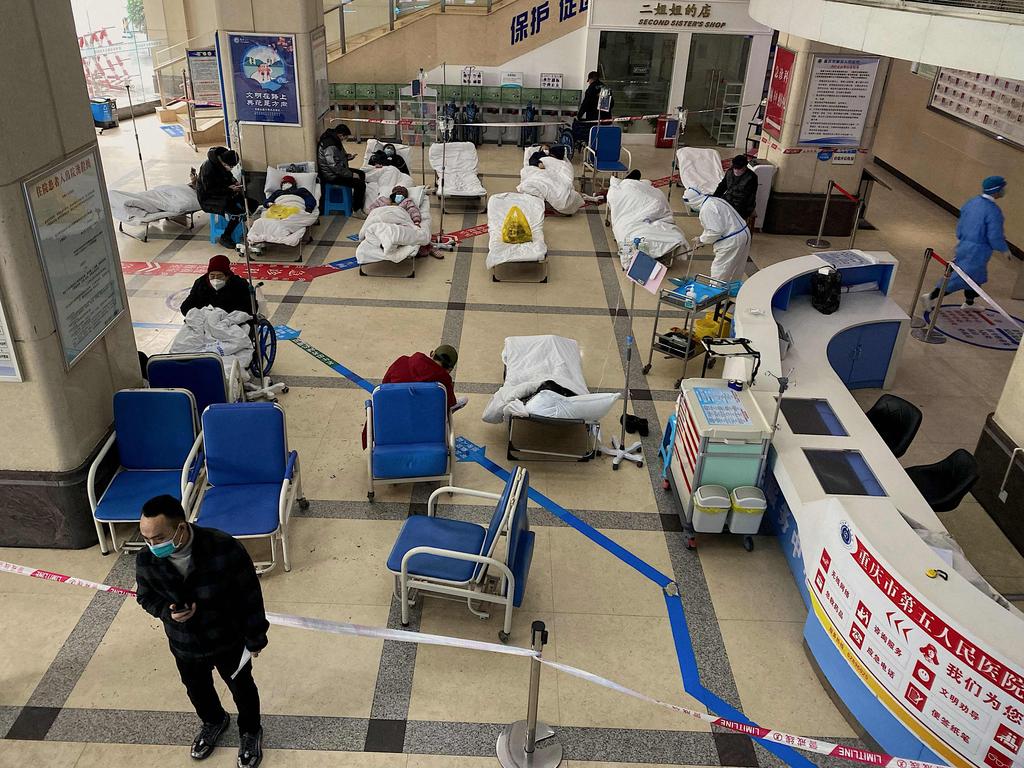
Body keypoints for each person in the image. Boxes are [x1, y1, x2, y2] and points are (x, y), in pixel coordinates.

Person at [135, 495, 269, 768]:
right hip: (184, 644)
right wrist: (167, 612)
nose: (152, 545)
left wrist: (256, 637)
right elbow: (145, 597)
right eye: (146, 538)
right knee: (197, 690)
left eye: (159, 538)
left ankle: (250, 731)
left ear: (181, 528)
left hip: (228, 640)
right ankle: (213, 721)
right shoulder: (146, 560)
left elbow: (250, 595)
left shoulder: (224, 548)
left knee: (242, 689)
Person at [921, 175, 1011, 312]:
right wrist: (1004, 249)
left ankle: (969, 303)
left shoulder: (972, 202)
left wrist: (960, 238)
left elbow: (961, 222)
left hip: (964, 245)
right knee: (961, 278)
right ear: (997, 190)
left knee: (975, 278)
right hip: (977, 250)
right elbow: (994, 235)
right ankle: (931, 296)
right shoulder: (993, 211)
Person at [362, 345, 466, 448]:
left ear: (432, 354)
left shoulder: (401, 362)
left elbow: (384, 388)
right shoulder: (443, 384)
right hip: (423, 432)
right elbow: (448, 406)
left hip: (391, 427)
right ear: (450, 369)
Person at [682, 186, 752, 283]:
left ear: (692, 202)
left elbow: (715, 231)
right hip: (743, 233)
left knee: (719, 271)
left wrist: (701, 240)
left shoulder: (706, 209)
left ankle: (716, 295)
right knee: (736, 268)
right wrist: (701, 240)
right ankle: (732, 290)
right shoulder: (714, 200)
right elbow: (714, 226)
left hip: (731, 241)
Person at [196, 147, 260, 249]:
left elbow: (228, 176)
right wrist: (229, 189)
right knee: (238, 213)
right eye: (231, 166)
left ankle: (248, 228)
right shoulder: (208, 169)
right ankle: (225, 236)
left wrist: (234, 183)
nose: (231, 169)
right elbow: (210, 190)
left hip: (225, 193)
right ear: (224, 163)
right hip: (209, 198)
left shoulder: (221, 163)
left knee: (252, 204)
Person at [180, 254, 253, 317]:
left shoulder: (240, 284)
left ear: (227, 276)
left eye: (219, 276)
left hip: (231, 321)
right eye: (212, 275)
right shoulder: (200, 284)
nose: (215, 279)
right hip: (204, 320)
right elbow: (186, 306)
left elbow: (250, 307)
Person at [317, 124, 366, 210]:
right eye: (345, 137)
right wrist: (351, 174)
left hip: (337, 170)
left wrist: (347, 157)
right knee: (359, 184)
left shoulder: (335, 140)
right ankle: (357, 209)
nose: (345, 139)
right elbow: (333, 166)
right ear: (340, 135)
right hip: (331, 175)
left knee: (361, 174)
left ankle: (357, 202)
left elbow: (337, 157)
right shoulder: (329, 144)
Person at [714, 155, 759, 222]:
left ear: (745, 167)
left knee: (730, 218)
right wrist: (714, 197)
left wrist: (733, 208)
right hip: (728, 199)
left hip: (742, 205)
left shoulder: (752, 177)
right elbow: (722, 186)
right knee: (715, 210)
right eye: (735, 168)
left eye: (739, 169)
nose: (736, 170)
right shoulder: (730, 172)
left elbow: (750, 198)